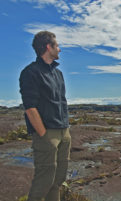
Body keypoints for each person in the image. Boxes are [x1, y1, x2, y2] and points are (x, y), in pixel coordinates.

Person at [19, 31, 71, 201]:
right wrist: (43, 134)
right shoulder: (30, 72)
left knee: (57, 180)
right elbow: (30, 108)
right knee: (44, 181)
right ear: (48, 47)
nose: (60, 49)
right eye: (57, 46)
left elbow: (61, 102)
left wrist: (66, 130)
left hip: (64, 131)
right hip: (47, 134)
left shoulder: (58, 74)